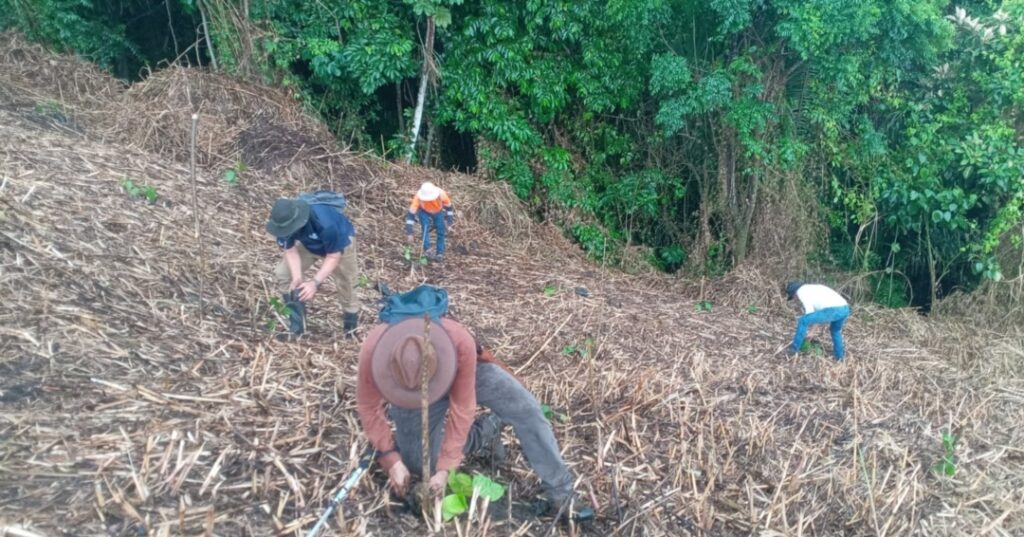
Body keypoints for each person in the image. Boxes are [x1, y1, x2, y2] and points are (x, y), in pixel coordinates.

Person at [355, 316, 593, 521]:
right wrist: (390, 458)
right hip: (411, 393)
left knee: (527, 409)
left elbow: (462, 409)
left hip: (464, 370)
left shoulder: (458, 341)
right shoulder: (374, 350)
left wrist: (447, 468)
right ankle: (485, 432)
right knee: (419, 464)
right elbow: (367, 406)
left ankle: (562, 493)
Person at [265, 196, 359, 338]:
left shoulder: (326, 224)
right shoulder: (282, 225)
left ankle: (350, 332)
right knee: (284, 274)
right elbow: (289, 250)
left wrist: (314, 282)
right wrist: (297, 277)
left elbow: (333, 256)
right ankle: (297, 326)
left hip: (341, 244)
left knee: (348, 286)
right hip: (308, 244)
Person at [785, 281, 851, 361]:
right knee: (835, 331)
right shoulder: (812, 288)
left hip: (833, 309)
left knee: (803, 320)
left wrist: (808, 332)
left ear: (794, 293)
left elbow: (809, 314)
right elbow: (817, 316)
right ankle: (840, 357)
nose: (795, 300)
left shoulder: (802, 292)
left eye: (793, 297)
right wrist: (811, 333)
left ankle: (794, 349)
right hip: (845, 308)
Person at [405, 182, 454, 260]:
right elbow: (410, 216)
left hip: (438, 211)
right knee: (425, 228)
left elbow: (449, 209)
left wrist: (449, 223)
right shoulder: (418, 198)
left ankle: (440, 253)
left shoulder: (442, 194)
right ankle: (427, 250)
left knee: (441, 231)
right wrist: (409, 233)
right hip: (424, 211)